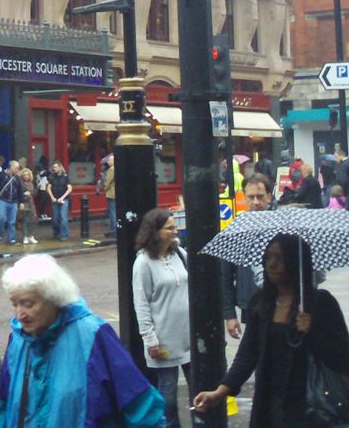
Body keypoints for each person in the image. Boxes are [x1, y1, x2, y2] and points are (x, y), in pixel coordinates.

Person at [193, 234, 349, 427]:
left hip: (310, 407)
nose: (271, 264)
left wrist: (312, 333)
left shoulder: (321, 303)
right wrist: (220, 392)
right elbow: (247, 355)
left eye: (279, 258)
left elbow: (342, 357)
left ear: (295, 262)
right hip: (270, 404)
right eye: (268, 257)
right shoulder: (261, 303)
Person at [0, 254, 165, 428]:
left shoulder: (93, 335)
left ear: (52, 298)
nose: (20, 314)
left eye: (28, 304)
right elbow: (4, 407)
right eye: (14, 304)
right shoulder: (18, 340)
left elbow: (139, 406)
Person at [132, 208, 190, 428]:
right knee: (168, 395)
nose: (174, 231)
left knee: (199, 390)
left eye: (174, 226)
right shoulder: (144, 263)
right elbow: (142, 303)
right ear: (154, 232)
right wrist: (150, 339)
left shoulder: (180, 254)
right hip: (164, 338)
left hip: (187, 335)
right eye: (169, 228)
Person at [222, 173, 273, 339]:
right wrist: (230, 315)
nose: (255, 202)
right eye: (251, 197)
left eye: (260, 196)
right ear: (244, 197)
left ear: (269, 197)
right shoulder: (236, 231)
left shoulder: (282, 227)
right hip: (251, 303)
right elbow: (225, 276)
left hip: (282, 301)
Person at [0, 160, 22, 245]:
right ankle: (0, 235)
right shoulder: (1, 175)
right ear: (11, 167)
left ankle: (12, 238)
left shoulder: (17, 178)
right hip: (3, 200)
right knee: (1, 218)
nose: (17, 170)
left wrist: (22, 202)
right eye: (16, 168)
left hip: (14, 202)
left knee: (12, 221)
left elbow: (20, 190)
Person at [48, 160, 73, 240]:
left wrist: (62, 198)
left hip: (64, 200)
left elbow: (69, 188)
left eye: (55, 167)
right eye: (53, 167)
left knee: (63, 217)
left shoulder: (65, 177)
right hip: (55, 200)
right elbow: (48, 188)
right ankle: (56, 232)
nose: (54, 168)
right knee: (55, 218)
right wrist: (52, 197)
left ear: (59, 167)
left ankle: (64, 235)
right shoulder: (52, 176)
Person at [18, 168, 38, 245]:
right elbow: (19, 194)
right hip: (24, 203)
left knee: (32, 220)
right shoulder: (20, 184)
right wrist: (25, 194)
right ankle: (25, 236)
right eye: (24, 175)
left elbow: (34, 194)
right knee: (25, 220)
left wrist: (37, 188)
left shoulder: (31, 184)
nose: (26, 176)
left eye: (27, 175)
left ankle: (31, 236)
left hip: (31, 204)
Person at [101, 154, 117, 238]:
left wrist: (104, 189)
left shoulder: (111, 170)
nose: (108, 161)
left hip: (111, 193)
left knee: (112, 212)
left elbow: (108, 182)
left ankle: (114, 230)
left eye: (109, 160)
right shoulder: (118, 168)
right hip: (116, 193)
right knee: (115, 211)